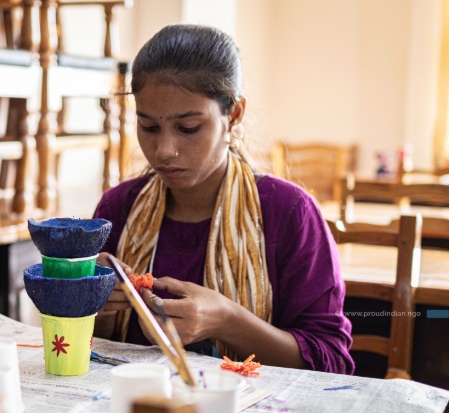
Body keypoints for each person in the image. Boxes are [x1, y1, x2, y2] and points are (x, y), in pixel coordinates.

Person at [93, 24, 354, 374]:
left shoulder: (288, 212)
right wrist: (89, 299)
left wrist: (228, 321)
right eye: (149, 126)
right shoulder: (118, 209)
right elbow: (84, 348)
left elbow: (332, 363)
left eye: (188, 128)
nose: (164, 150)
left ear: (233, 115)